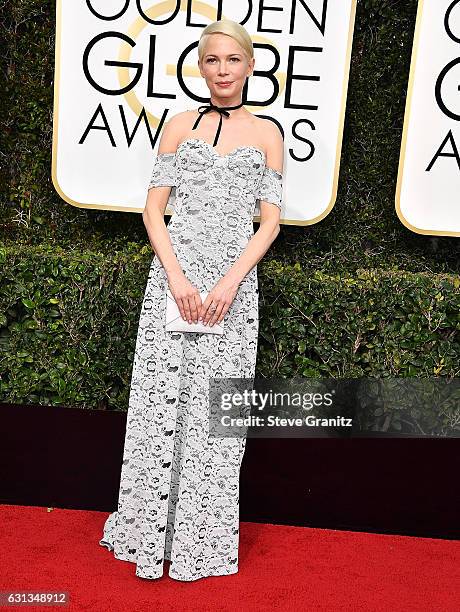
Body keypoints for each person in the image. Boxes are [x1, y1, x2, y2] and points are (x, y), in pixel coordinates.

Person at [99, 18, 284, 581]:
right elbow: (154, 211)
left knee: (213, 412)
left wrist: (229, 282)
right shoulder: (178, 125)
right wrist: (176, 277)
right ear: (200, 68)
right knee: (159, 404)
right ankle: (146, 530)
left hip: (233, 287)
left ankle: (200, 539)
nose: (222, 71)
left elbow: (270, 224)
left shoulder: (268, 134)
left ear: (249, 65)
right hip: (171, 283)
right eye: (212, 61)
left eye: (232, 60)